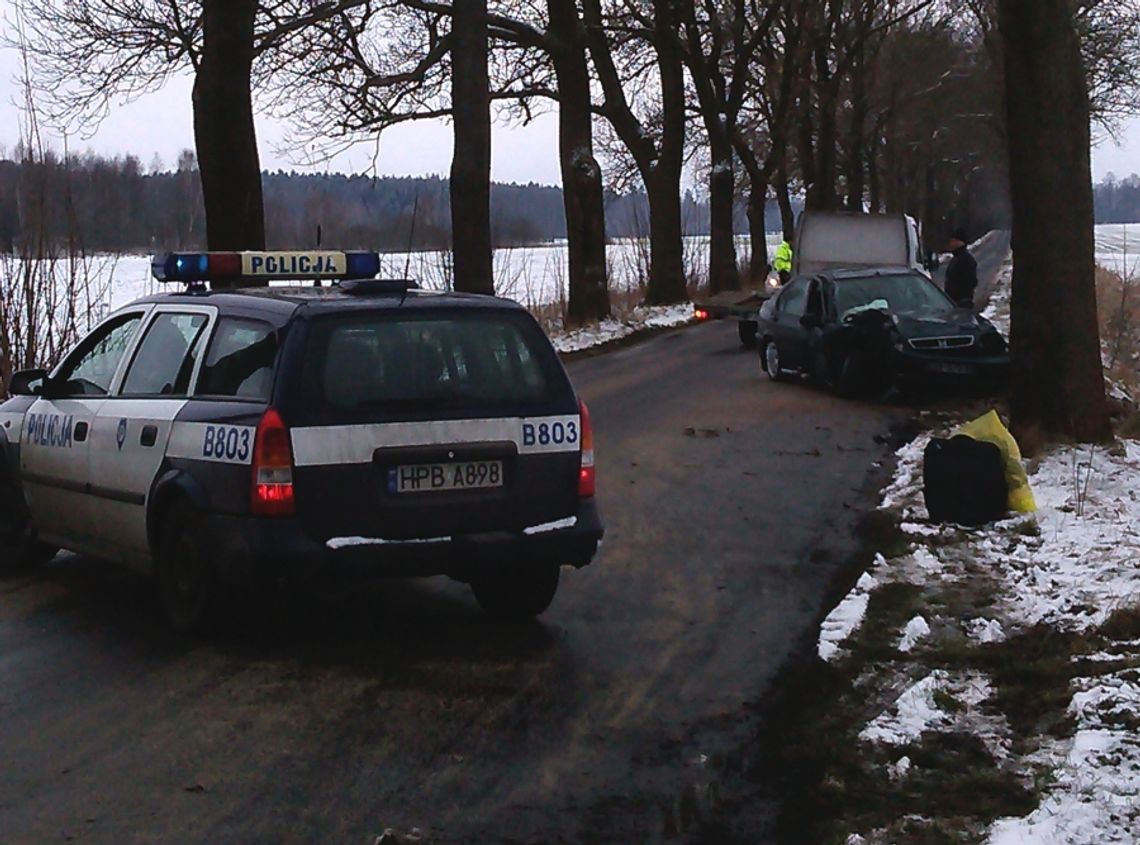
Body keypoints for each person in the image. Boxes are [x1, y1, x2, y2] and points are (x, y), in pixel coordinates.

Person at [944, 227, 978, 309]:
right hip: (953, 302)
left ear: (960, 242)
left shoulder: (965, 259)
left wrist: (963, 298)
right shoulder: (956, 258)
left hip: (962, 303)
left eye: (953, 240)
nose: (951, 243)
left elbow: (971, 281)